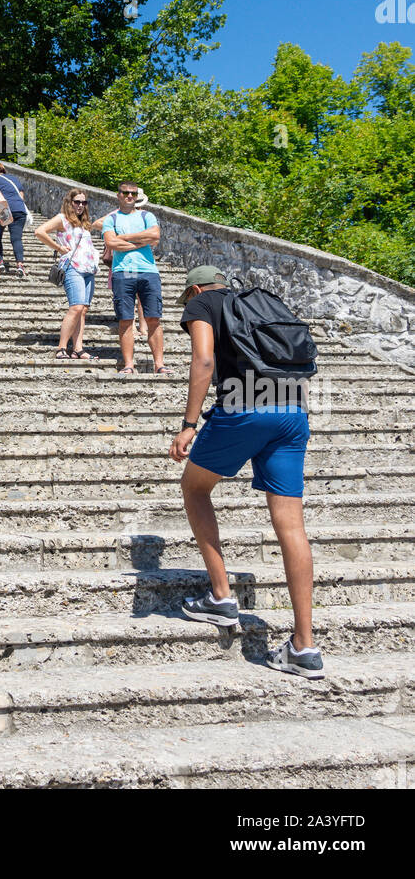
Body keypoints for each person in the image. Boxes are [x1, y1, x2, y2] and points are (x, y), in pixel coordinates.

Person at [170, 266, 322, 678]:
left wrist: (188, 425)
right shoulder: (262, 300)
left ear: (196, 289)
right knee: (292, 525)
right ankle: (304, 647)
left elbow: (203, 358)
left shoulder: (202, 302)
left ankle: (221, 596)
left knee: (195, 489)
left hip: (244, 407)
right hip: (292, 407)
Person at [101, 182, 168, 376]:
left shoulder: (147, 215)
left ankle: (159, 364)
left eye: (133, 193)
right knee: (125, 319)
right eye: (126, 193)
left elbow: (155, 236)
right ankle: (129, 364)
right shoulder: (111, 219)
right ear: (118, 195)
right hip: (124, 271)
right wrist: (140, 242)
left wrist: (126, 238)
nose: (130, 196)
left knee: (154, 318)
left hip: (148, 271)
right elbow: (111, 242)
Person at [35, 189, 99, 359]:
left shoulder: (84, 223)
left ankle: (78, 348)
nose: (80, 206)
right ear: (70, 202)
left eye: (83, 203)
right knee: (76, 307)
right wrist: (58, 248)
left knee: (83, 310)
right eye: (77, 202)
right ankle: (61, 347)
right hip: (73, 267)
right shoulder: (62, 218)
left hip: (88, 269)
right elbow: (40, 231)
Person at [0, 161, 28, 278]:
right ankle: (20, 265)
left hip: (4, 209)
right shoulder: (13, 179)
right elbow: (21, 195)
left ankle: (0, 262)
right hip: (19, 209)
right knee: (16, 239)